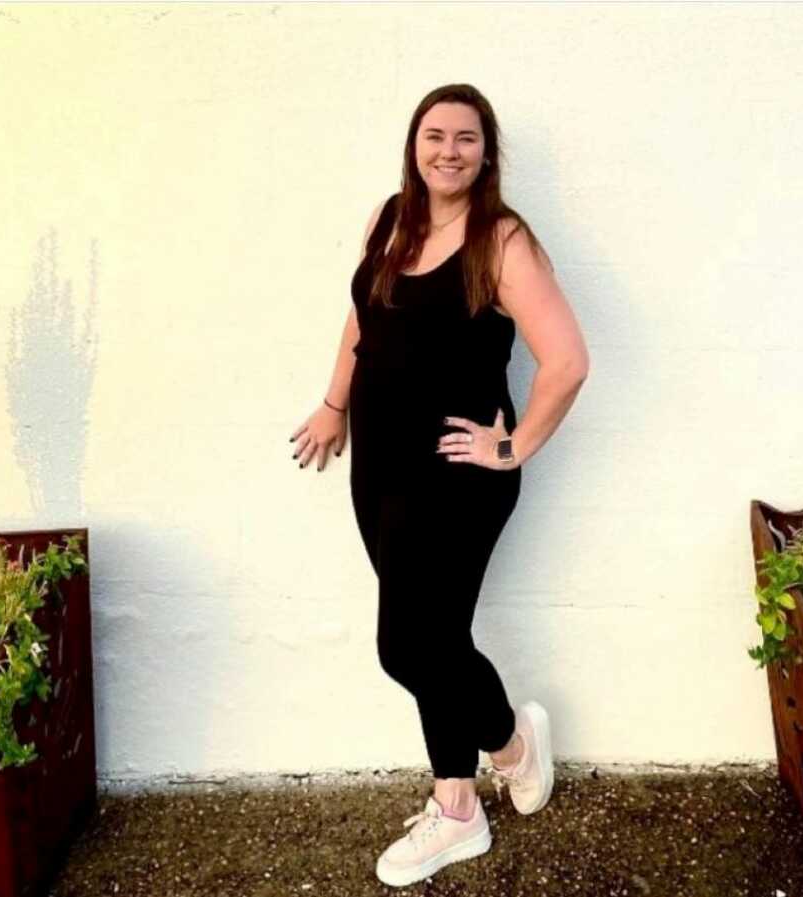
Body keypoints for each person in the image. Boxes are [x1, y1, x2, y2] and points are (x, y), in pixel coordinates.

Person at [289, 83, 590, 888]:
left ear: (487, 152)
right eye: (435, 135)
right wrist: (332, 405)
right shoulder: (393, 218)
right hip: (380, 469)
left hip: (457, 476)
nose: (448, 150)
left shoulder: (501, 239)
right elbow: (365, 316)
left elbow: (566, 360)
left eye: (466, 138)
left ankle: (476, 788)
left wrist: (513, 444)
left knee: (409, 644)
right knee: (434, 638)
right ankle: (492, 767)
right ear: (415, 144)